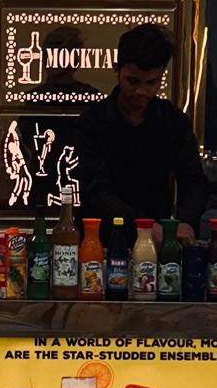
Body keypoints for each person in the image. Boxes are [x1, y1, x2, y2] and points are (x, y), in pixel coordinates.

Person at [73, 24, 206, 243]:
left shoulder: (173, 121)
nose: (141, 91)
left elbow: (193, 181)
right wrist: (144, 227)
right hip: (101, 240)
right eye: (133, 81)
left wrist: (186, 222)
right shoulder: (92, 122)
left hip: (159, 241)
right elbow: (97, 191)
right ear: (117, 70)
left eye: (152, 83)